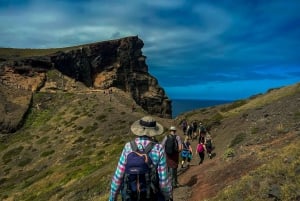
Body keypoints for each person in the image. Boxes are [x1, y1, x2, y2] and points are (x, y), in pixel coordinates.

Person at [109, 116, 172, 201]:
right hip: (152, 196)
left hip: (130, 196)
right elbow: (163, 182)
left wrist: (113, 198)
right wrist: (168, 196)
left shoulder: (128, 147)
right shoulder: (159, 148)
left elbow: (118, 177)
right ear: (153, 131)